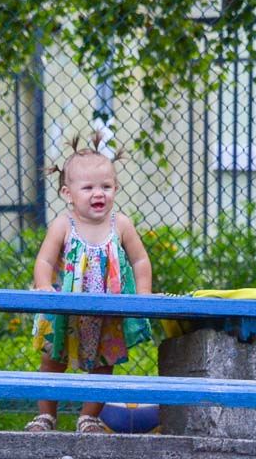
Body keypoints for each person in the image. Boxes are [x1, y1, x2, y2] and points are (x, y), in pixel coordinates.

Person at [25, 136, 153, 433]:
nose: (99, 194)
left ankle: (89, 417)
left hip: (106, 313)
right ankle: (46, 416)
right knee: (52, 362)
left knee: (103, 365)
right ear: (68, 194)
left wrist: (143, 293)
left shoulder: (120, 225)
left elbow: (140, 261)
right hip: (63, 311)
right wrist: (44, 288)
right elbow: (44, 261)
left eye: (106, 187)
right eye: (89, 188)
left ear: (116, 189)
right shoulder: (63, 224)